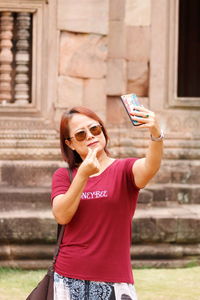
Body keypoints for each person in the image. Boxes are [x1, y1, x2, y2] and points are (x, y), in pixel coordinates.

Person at [51, 105, 163, 300]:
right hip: (69, 276)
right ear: (70, 144)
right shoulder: (64, 176)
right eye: (80, 134)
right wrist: (83, 175)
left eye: (94, 129)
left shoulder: (124, 169)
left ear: (102, 130)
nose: (90, 136)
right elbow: (62, 215)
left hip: (115, 279)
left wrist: (156, 134)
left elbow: (150, 166)